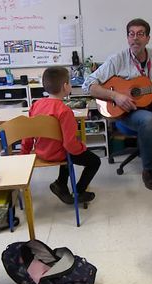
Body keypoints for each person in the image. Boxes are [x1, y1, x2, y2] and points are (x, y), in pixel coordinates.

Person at [82, 18, 152, 191]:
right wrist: (115, 95)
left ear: (148, 38)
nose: (135, 38)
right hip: (127, 113)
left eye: (140, 34)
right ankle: (148, 170)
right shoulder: (117, 59)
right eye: (131, 34)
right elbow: (88, 85)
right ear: (127, 38)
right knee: (148, 119)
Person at [21, 67, 101, 205]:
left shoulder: (36, 105)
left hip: (41, 151)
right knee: (94, 161)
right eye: (69, 82)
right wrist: (82, 147)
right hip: (59, 153)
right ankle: (79, 191)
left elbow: (28, 134)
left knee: (65, 150)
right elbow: (70, 145)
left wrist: (24, 154)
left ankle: (60, 184)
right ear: (65, 86)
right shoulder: (65, 111)